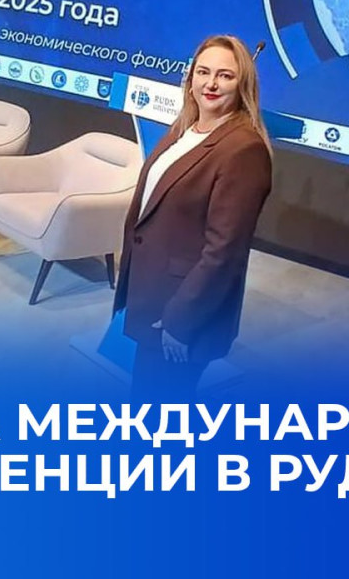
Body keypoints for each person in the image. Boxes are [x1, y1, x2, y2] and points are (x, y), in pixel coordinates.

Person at [113, 34, 273, 398]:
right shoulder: (185, 129)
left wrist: (180, 321)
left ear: (243, 83)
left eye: (225, 75)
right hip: (153, 294)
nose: (211, 83)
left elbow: (224, 252)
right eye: (203, 72)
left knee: (158, 411)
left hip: (180, 312)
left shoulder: (243, 150)